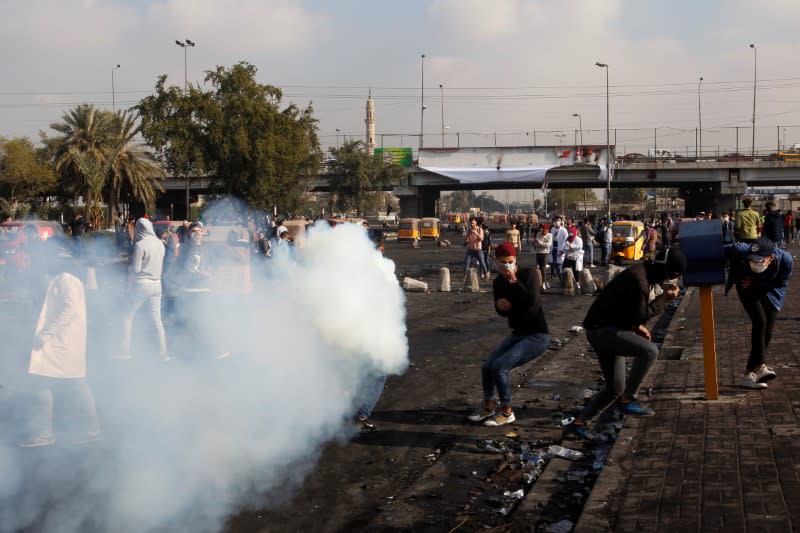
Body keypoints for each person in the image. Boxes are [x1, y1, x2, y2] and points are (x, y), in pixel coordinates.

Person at [565, 248, 687, 440]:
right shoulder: (639, 280)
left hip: (607, 328)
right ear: (666, 270)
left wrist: (636, 326)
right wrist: (665, 298)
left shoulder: (642, 274)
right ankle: (628, 399)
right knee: (649, 351)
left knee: (615, 387)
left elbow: (627, 310)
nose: (673, 280)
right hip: (603, 331)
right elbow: (642, 314)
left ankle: (579, 424)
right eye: (674, 275)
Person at [20, 240, 100, 447]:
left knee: (51, 382)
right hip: (63, 342)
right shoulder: (66, 278)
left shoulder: (66, 279)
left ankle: (46, 434)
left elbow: (69, 309)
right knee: (68, 384)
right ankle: (90, 431)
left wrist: (46, 333)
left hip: (60, 342)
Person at [468, 242, 550, 427]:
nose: (507, 266)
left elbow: (533, 303)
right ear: (497, 263)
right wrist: (499, 307)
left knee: (500, 367)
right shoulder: (498, 282)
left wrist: (514, 281)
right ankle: (488, 406)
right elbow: (502, 308)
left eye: (511, 262)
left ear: (516, 260)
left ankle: (507, 411)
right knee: (488, 366)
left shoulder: (529, 275)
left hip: (537, 335)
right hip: (518, 333)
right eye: (504, 263)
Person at [724, 238, 793, 389]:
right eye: (752, 260)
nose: (755, 263)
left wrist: (757, 282)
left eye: (759, 261)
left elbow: (781, 283)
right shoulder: (742, 249)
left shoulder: (786, 260)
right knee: (760, 322)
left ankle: (750, 373)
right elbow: (721, 249)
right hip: (745, 285)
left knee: (767, 332)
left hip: (772, 290)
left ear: (770, 258)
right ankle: (758, 367)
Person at [116, 218, 169, 362]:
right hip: (157, 284)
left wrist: (131, 261)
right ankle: (163, 353)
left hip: (142, 284)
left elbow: (136, 269)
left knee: (127, 315)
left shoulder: (140, 245)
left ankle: (125, 350)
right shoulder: (160, 244)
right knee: (156, 319)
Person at [532, 222, 552, 291]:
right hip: (538, 252)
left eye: (545, 230)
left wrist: (539, 243)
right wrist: (537, 243)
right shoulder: (538, 233)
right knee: (538, 268)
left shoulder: (549, 235)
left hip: (545, 253)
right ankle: (541, 281)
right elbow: (536, 244)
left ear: (548, 230)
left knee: (543, 268)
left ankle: (543, 282)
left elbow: (548, 245)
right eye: (543, 230)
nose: (543, 231)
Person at [550, 217, 568, 282]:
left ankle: (562, 280)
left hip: (560, 250)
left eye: (558, 220)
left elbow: (567, 241)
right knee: (554, 264)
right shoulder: (552, 229)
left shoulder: (564, 230)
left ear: (561, 222)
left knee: (559, 266)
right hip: (553, 249)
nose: (557, 222)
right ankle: (560, 278)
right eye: (556, 220)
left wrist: (563, 251)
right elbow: (550, 239)